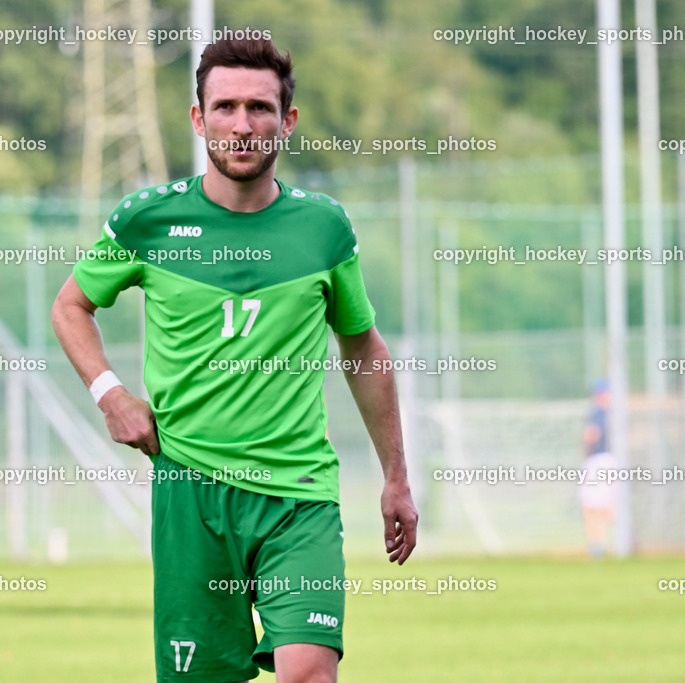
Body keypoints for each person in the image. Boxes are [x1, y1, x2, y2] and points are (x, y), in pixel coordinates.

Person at [52, 37, 417, 683]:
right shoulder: (148, 220)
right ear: (199, 119)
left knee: (307, 670)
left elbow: (364, 347)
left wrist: (396, 475)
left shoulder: (324, 228)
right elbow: (71, 306)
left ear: (288, 121)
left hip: (298, 494)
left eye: (259, 108)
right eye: (224, 107)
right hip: (189, 490)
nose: (242, 125)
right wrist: (111, 394)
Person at [581, 379, 618, 558]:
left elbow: (590, 435)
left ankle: (598, 545)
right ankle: (603, 543)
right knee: (604, 505)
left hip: (598, 461)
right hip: (611, 461)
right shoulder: (614, 414)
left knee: (592, 506)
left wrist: (586, 453)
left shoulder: (599, 413)